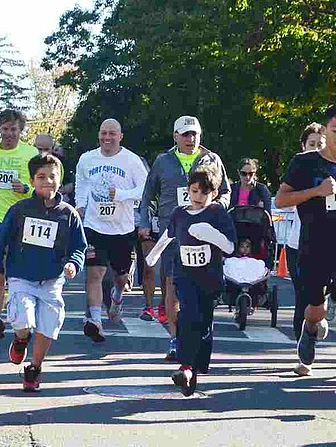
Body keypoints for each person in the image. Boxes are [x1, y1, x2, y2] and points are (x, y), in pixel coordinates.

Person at [275, 103, 336, 395]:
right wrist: (316, 192)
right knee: (315, 309)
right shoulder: (304, 163)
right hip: (314, 246)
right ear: (325, 130)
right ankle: (311, 329)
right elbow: (280, 200)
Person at [0, 153, 87, 391]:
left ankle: (34, 368)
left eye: (52, 177)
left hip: (52, 279)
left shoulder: (68, 214)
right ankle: (21, 339)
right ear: (32, 181)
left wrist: (74, 263)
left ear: (59, 179)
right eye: (41, 177)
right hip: (21, 276)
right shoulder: (19, 210)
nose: (47, 182)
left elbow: (79, 247)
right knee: (23, 318)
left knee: (49, 325)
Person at [136, 115, 229, 357]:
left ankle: (200, 331)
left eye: (194, 134)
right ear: (176, 136)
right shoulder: (163, 161)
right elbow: (148, 196)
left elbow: (227, 193)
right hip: (174, 231)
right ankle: (176, 339)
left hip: (205, 234)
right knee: (172, 285)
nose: (190, 139)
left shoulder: (212, 160)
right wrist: (145, 223)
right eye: (185, 134)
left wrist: (215, 208)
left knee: (202, 285)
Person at [145, 165, 236, 396]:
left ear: (213, 194)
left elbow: (230, 247)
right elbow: (168, 235)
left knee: (203, 323)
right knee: (187, 316)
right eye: (194, 191)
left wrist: (210, 234)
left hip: (209, 279)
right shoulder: (179, 213)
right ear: (188, 190)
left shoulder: (217, 214)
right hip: (185, 276)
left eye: (204, 193)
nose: (198, 197)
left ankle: (194, 368)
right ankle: (185, 367)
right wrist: (153, 255)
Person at [75, 118, 149, 342]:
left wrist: (122, 195)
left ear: (120, 136)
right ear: (99, 134)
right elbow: (81, 184)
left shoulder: (131, 160)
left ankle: (116, 298)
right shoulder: (87, 159)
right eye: (104, 133)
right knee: (95, 273)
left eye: (112, 134)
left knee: (121, 277)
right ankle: (95, 320)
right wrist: (80, 206)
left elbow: (145, 188)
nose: (107, 138)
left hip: (122, 228)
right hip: (94, 225)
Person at [0, 109, 39, 337]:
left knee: (18, 269)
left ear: (20, 130)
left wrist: (26, 189)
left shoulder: (30, 153)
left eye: (14, 129)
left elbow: (39, 183)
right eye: (5, 129)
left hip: (21, 215)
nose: (9, 134)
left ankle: (18, 311)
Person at [280, 123, 325, 340]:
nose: (315, 148)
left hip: (327, 245)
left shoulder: (335, 169)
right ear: (303, 145)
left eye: (320, 144)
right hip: (298, 244)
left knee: (319, 298)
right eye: (312, 144)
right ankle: (303, 347)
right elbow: (283, 202)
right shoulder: (297, 169)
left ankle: (319, 318)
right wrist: (312, 192)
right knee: (302, 297)